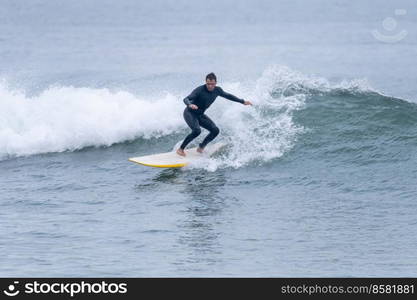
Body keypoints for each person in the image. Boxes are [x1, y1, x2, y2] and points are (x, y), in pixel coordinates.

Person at [177, 73, 252, 156]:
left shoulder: (217, 90)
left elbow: (228, 96)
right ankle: (181, 149)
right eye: (208, 84)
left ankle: (201, 147)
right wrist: (190, 104)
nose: (210, 86)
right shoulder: (200, 90)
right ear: (205, 82)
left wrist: (242, 101)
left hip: (200, 115)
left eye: (212, 84)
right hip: (190, 113)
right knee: (197, 131)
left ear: (215, 83)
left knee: (215, 130)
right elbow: (186, 99)